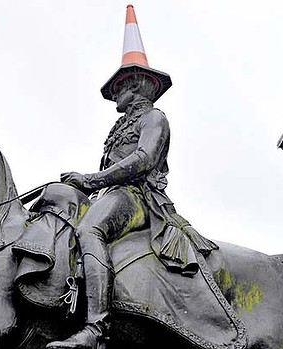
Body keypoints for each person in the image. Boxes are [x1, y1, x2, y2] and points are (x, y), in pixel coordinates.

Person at [46, 6, 217, 349]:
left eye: (122, 83)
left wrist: (91, 179)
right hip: (113, 194)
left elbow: (143, 159)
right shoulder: (120, 125)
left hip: (139, 198)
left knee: (89, 229)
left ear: (137, 84)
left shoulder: (154, 117)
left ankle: (95, 329)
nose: (117, 92)